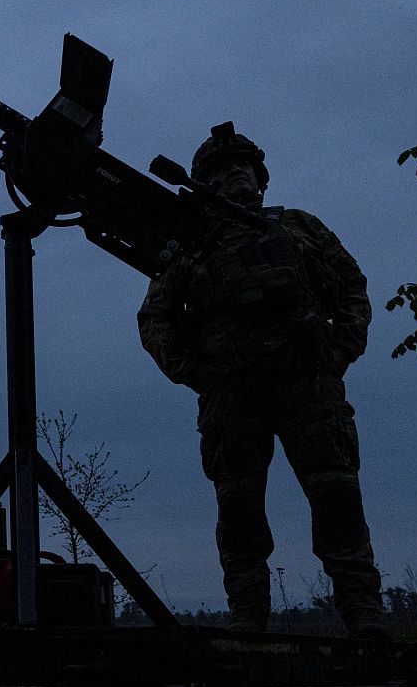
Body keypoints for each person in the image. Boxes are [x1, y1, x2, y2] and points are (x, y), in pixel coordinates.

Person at [136, 123, 386, 638]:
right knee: (239, 507)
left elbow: (351, 287)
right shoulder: (191, 243)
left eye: (242, 166)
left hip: (309, 383)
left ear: (260, 176)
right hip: (232, 393)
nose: (236, 174)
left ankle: (362, 611)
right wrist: (195, 374)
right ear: (203, 183)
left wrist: (340, 351)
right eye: (222, 169)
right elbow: (156, 316)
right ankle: (248, 615)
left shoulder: (300, 226)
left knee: (337, 496)